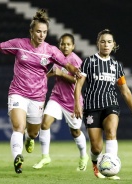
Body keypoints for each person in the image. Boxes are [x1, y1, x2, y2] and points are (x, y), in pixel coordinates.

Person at [0, 9, 82, 174]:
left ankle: (30, 139)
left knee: (33, 132)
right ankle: (17, 158)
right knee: (18, 126)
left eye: (44, 32)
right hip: (18, 92)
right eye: (38, 31)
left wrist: (75, 71)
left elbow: (66, 64)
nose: (41, 35)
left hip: (37, 96)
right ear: (31, 31)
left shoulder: (50, 50)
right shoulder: (19, 44)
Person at [73, 29, 132, 180]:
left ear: (114, 45)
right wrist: (77, 104)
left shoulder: (116, 66)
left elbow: (125, 91)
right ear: (98, 44)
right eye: (103, 41)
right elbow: (79, 85)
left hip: (110, 105)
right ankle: (95, 164)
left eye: (109, 42)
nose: (106, 44)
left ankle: (110, 168)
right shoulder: (89, 62)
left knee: (111, 132)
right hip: (92, 108)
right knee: (96, 147)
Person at [32, 33, 89, 171]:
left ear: (73, 46)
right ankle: (45, 157)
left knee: (75, 132)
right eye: (63, 44)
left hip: (72, 101)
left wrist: (62, 74)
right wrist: (43, 77)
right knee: (45, 123)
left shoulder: (75, 60)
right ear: (59, 45)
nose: (65, 46)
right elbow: (53, 71)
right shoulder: (57, 57)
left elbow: (79, 81)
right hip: (56, 97)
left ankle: (83, 156)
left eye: (68, 44)